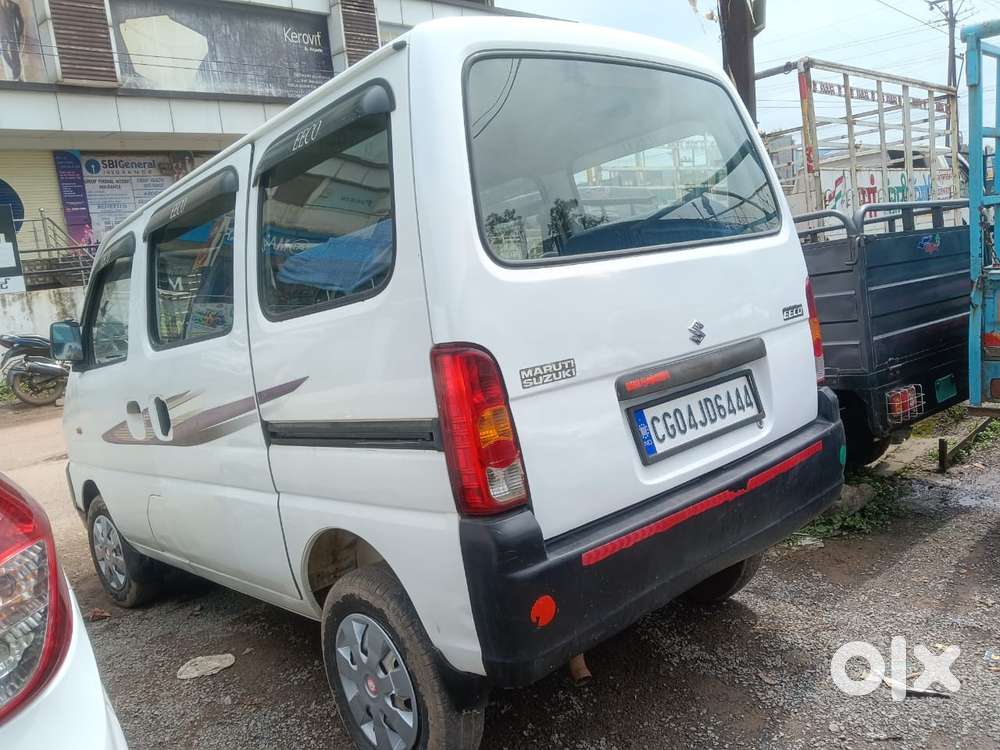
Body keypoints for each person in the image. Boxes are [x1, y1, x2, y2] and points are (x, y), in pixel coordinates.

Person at [0, 0, 25, 81]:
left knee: (15, 56)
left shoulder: (14, 6)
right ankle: (15, 70)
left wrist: (18, 33)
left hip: (13, 35)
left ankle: (17, 76)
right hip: (3, 35)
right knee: (4, 54)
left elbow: (20, 21)